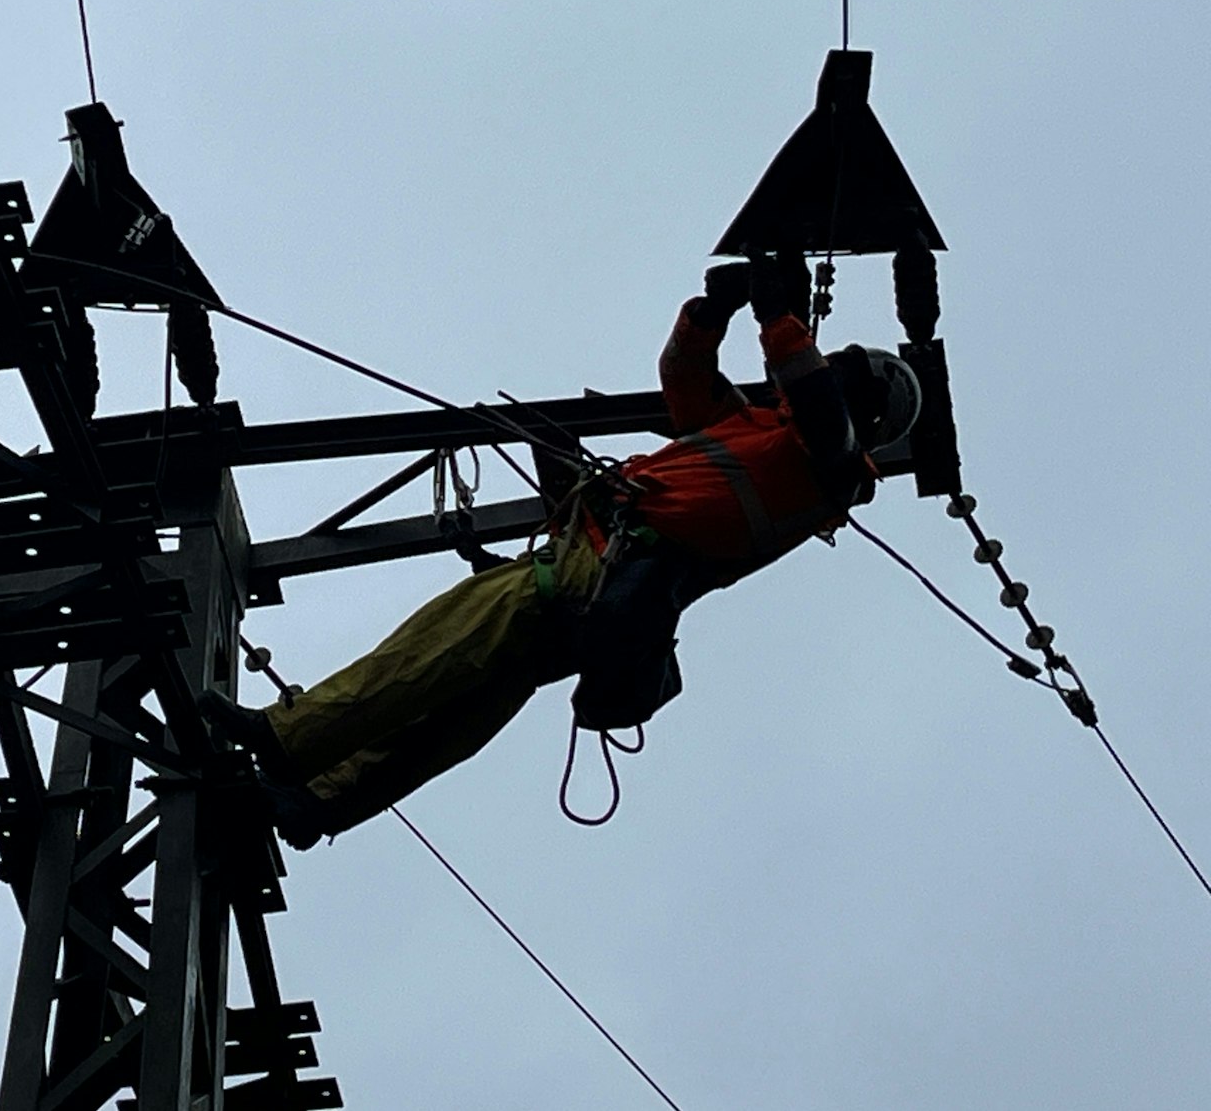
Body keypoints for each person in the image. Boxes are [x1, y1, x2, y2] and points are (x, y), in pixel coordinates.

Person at [203, 253, 923, 847]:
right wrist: (712, 312)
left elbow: (820, 405)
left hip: (600, 568)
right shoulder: (762, 430)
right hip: (605, 581)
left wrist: (778, 319)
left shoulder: (831, 470)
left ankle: (285, 737)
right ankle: (314, 804)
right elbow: (684, 381)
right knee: (458, 704)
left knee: (436, 644)